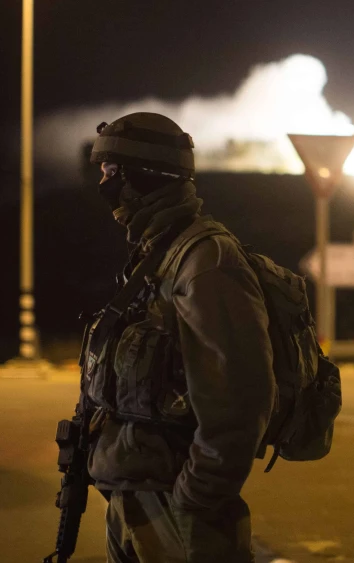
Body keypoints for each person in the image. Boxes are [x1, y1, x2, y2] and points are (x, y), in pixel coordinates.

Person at [81, 112, 275, 563]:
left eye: (113, 173)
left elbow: (241, 398)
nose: (105, 185)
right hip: (136, 498)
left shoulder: (206, 260)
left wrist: (196, 498)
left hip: (177, 507)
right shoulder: (156, 254)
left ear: (146, 177)